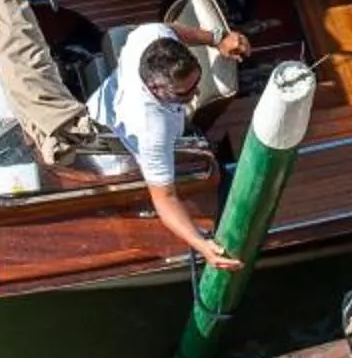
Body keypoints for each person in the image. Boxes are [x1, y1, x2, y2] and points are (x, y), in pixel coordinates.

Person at [86, 14, 249, 270]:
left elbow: (174, 30)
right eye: (185, 93)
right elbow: (165, 198)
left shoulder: (150, 35)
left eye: (197, 81)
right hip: (118, 150)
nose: (196, 92)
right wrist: (201, 244)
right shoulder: (152, 131)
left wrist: (217, 39)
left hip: (103, 104)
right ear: (154, 88)